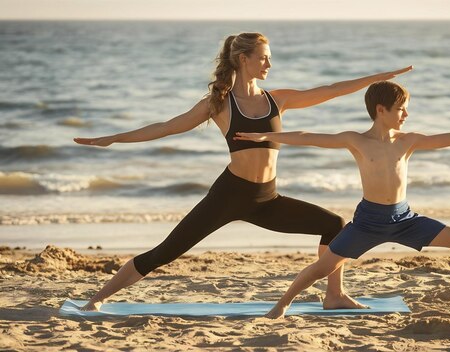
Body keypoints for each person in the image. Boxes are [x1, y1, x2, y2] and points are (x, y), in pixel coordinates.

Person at [73, 32, 411, 311]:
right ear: (243, 59)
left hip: (267, 198)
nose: (269, 64)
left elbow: (328, 91)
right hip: (229, 195)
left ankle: (333, 295)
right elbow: (167, 127)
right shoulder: (218, 103)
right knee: (165, 252)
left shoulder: (277, 99)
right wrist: (113, 138)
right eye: (263, 57)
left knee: (334, 225)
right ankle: (97, 300)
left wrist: (376, 78)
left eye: (269, 57)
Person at [235, 80, 450, 319]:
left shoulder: (408, 141)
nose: (406, 114)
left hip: (405, 219)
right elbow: (309, 136)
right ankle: (282, 305)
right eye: (401, 108)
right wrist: (265, 138)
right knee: (321, 268)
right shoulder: (356, 140)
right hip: (368, 222)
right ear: (381, 110)